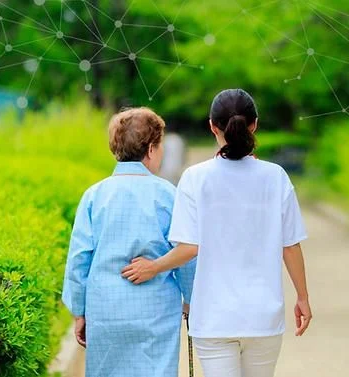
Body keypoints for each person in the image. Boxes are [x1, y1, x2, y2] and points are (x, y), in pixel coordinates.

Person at [123, 89, 312, 377]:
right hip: (263, 316)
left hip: (214, 318)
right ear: (255, 124)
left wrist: (154, 267)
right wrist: (302, 297)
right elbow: (290, 247)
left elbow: (188, 247)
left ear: (212, 126)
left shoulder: (195, 178)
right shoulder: (276, 177)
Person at [62, 107, 196, 377]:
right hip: (156, 312)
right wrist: (190, 299)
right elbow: (186, 253)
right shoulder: (168, 194)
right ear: (150, 150)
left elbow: (79, 259)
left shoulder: (94, 195)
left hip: (105, 309)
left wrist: (79, 312)